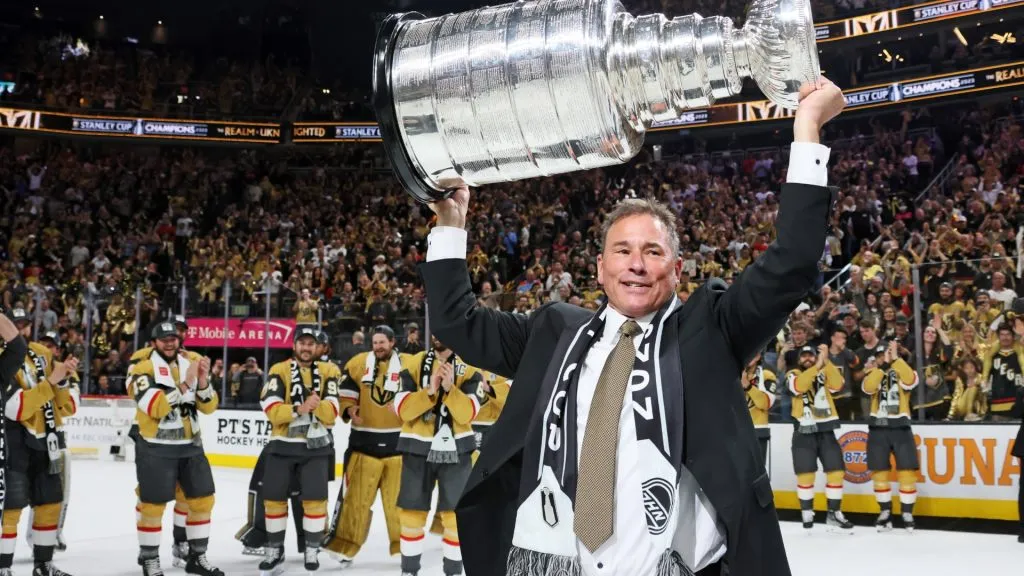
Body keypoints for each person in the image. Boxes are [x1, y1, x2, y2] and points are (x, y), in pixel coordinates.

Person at [418, 80, 846, 576]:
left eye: (653, 251)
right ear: (600, 269)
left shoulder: (709, 328)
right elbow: (457, 322)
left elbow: (791, 263)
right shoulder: (555, 331)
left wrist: (808, 129)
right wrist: (451, 220)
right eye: (622, 251)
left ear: (679, 269)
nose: (636, 265)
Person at [128, 321, 222, 576]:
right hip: (156, 446)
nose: (169, 342)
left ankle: (197, 557)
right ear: (154, 342)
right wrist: (184, 384)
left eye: (173, 338)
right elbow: (154, 407)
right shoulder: (142, 368)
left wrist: (201, 380)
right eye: (163, 339)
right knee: (153, 504)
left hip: (191, 446)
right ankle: (150, 559)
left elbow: (209, 406)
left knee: (203, 500)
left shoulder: (190, 362)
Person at [395, 336, 484, 576]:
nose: (438, 336)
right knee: (411, 514)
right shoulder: (412, 363)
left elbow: (467, 414)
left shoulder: (470, 367)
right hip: (416, 448)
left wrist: (450, 390)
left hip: (457, 450)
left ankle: (453, 572)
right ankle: (409, 571)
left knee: (455, 516)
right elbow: (402, 410)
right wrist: (430, 391)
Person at [256, 326, 342, 574]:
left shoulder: (330, 371)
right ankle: (274, 550)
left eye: (311, 343)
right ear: (294, 345)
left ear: (318, 346)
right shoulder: (278, 370)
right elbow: (272, 411)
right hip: (281, 446)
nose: (306, 348)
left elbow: (333, 411)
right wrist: (299, 408)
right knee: (273, 500)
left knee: (315, 501)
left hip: (315, 448)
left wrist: (314, 408)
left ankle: (312, 550)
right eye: (302, 343)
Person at [322, 325, 406, 568]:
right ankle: (345, 546)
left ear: (392, 342)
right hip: (363, 445)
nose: (378, 346)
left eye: (383, 342)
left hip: (398, 447)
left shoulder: (407, 364)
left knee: (400, 503)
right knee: (354, 502)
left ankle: (405, 547)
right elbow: (346, 393)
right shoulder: (359, 363)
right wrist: (349, 409)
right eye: (375, 342)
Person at [2, 311, 73, 576]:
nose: (19, 329)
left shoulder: (42, 352)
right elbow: (14, 408)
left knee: (49, 503)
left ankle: (43, 564)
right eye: (14, 325)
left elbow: (64, 405)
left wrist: (63, 379)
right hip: (12, 441)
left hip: (47, 441)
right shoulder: (3, 358)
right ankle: (3, 567)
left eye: (23, 325)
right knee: (10, 507)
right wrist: (51, 383)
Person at [786, 344, 852, 532]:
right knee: (805, 474)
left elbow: (838, 385)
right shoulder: (793, 373)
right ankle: (807, 512)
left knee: (836, 471)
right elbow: (799, 387)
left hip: (826, 429)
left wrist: (827, 361)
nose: (808, 358)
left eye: (811, 355)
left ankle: (834, 513)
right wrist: (817, 367)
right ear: (799, 360)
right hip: (803, 431)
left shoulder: (824, 371)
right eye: (804, 356)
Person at [26, 332, 78, 554]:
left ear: (57, 350)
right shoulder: (25, 368)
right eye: (42, 344)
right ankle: (34, 535)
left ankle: (55, 531)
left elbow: (70, 407)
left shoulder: (64, 371)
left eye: (50, 346)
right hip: (29, 437)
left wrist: (59, 382)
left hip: (56, 438)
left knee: (59, 492)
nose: (45, 349)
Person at [861, 340, 919, 532]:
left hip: (901, 425)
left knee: (907, 470)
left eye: (886, 355)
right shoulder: (873, 374)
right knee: (879, 471)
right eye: (880, 356)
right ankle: (885, 511)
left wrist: (895, 361)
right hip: (879, 426)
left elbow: (911, 380)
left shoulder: (904, 371)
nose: (883, 359)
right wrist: (882, 367)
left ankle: (907, 512)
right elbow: (868, 388)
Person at [742, 352, 777, 467]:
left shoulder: (766, 375)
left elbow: (766, 403)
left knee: (757, 471)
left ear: (758, 356)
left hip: (758, 431)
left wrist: (748, 386)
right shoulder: (734, 374)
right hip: (736, 431)